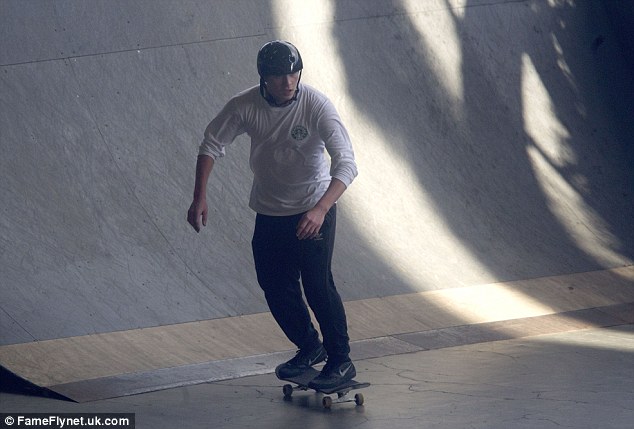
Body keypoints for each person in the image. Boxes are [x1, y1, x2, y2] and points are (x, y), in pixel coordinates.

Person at [187, 40, 358, 389]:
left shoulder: (316, 105)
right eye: (279, 76)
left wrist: (321, 209)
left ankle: (341, 360)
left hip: (313, 209)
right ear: (264, 78)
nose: (288, 82)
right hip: (269, 212)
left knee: (317, 286)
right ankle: (311, 347)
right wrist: (199, 197)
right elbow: (211, 145)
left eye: (294, 73)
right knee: (275, 288)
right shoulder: (244, 105)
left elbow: (347, 164)